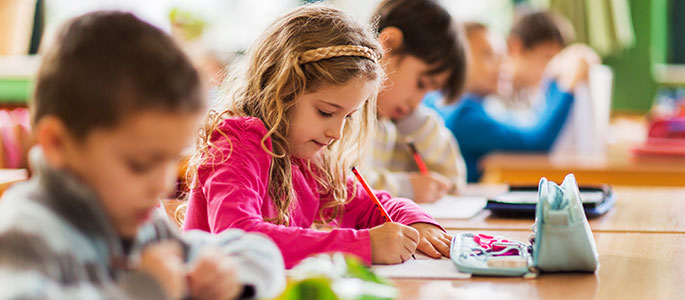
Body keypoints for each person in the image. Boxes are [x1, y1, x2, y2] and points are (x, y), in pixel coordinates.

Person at [0, 11, 284, 299]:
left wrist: (228, 273)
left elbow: (259, 252)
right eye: (140, 165)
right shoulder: (26, 231)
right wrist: (144, 290)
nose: (161, 185)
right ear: (57, 145)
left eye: (172, 160)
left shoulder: (143, 224)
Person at [183, 5, 451, 269]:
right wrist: (363, 246)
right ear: (282, 90)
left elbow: (371, 208)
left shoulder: (308, 158)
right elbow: (239, 239)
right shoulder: (236, 143)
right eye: (326, 112)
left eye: (347, 117)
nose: (336, 133)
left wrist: (417, 222)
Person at [425, 20, 598, 182]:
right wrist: (566, 85)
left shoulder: (464, 106)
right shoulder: (464, 116)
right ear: (456, 59)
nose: (502, 64)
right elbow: (536, 142)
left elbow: (528, 129)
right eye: (489, 55)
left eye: (502, 56)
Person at [361, 0, 468, 203]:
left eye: (429, 92)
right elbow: (339, 184)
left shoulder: (395, 121)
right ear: (388, 45)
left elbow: (453, 180)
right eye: (421, 84)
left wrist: (418, 125)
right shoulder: (342, 112)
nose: (417, 102)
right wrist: (403, 188)